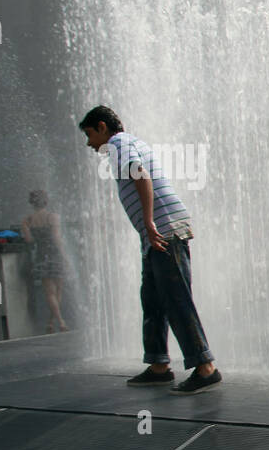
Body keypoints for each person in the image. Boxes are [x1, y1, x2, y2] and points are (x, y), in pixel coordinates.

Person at [79, 105, 221, 394]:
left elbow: (141, 176)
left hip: (163, 230)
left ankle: (206, 367)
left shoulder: (117, 144)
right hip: (157, 233)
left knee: (175, 297)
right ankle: (158, 365)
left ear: (102, 127)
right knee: (154, 299)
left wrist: (148, 221)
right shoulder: (127, 142)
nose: (89, 143)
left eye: (90, 134)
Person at [19, 189, 71, 333]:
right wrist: (65, 256)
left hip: (41, 255)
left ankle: (51, 321)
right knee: (59, 289)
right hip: (55, 255)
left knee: (49, 292)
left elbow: (29, 240)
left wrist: (29, 230)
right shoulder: (53, 217)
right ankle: (60, 321)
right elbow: (57, 238)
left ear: (32, 203)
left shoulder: (27, 220)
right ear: (46, 201)